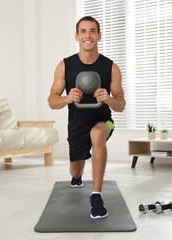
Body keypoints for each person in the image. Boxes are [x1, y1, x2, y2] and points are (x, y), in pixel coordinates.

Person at [48, 16, 126, 219]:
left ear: (99, 36)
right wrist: (67, 98)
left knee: (97, 134)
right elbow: (51, 101)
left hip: (103, 120)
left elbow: (121, 105)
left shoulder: (111, 67)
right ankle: (77, 175)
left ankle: (96, 196)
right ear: (76, 36)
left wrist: (108, 99)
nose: (88, 35)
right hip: (76, 124)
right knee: (75, 170)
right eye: (83, 31)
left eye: (92, 31)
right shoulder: (65, 65)